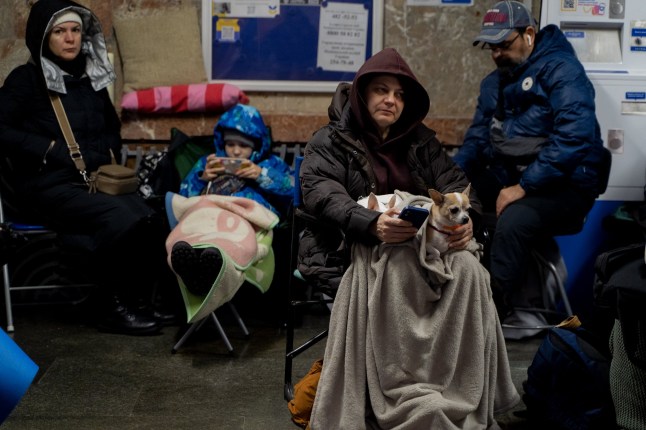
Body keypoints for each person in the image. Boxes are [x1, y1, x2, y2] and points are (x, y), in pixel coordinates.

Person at [299, 47, 520, 429]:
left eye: (400, 95)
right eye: (382, 91)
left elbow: (455, 183)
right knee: (397, 264)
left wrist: (466, 218)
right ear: (361, 94)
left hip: (426, 243)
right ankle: (402, 390)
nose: (391, 100)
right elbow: (321, 192)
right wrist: (370, 222)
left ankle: (456, 388)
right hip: (358, 245)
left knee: (469, 267)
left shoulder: (419, 141)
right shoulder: (330, 141)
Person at [0, 0, 175, 335]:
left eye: (76, 30)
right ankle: (108, 303)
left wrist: (107, 157)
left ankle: (134, 297)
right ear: (43, 37)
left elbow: (111, 127)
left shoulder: (89, 79)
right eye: (60, 32)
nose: (70, 39)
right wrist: (49, 150)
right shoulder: (26, 80)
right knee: (121, 217)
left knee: (149, 213)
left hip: (90, 183)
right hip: (46, 185)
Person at [453, 0, 611, 318]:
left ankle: (488, 316)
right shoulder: (492, 85)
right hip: (515, 179)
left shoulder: (563, 71)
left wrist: (523, 186)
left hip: (568, 185)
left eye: (504, 44)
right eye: (491, 47)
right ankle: (465, 295)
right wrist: (452, 183)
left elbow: (574, 138)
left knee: (513, 221)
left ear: (528, 34)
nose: (497, 54)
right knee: (465, 200)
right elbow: (477, 140)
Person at [165, 103, 294, 322]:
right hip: (208, 219)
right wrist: (201, 177)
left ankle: (207, 272)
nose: (235, 151)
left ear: (256, 145)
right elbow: (185, 195)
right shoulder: (208, 163)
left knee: (233, 243)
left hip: (247, 222)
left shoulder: (271, 164)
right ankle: (202, 266)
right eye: (230, 144)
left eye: (243, 146)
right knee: (192, 234)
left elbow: (293, 190)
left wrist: (260, 174)